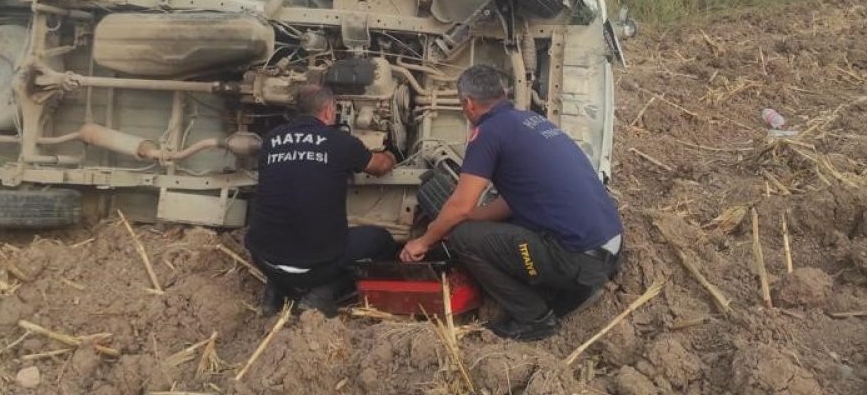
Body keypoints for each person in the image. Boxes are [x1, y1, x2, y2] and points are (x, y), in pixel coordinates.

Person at [400, 65, 624, 341]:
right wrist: (473, 217)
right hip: (609, 248)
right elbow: (510, 201)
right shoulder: (530, 121)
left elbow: (460, 205)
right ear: (502, 94)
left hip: (577, 259)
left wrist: (423, 241)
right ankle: (568, 287)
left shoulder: (488, 133)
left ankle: (534, 318)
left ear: (468, 104)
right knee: (478, 226)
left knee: (463, 236)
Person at [246, 84, 398, 316]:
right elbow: (380, 167)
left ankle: (277, 289)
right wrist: (391, 153)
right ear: (328, 111)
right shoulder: (340, 142)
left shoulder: (270, 140)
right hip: (316, 265)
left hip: (264, 260)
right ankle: (323, 293)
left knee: (286, 233)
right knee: (383, 241)